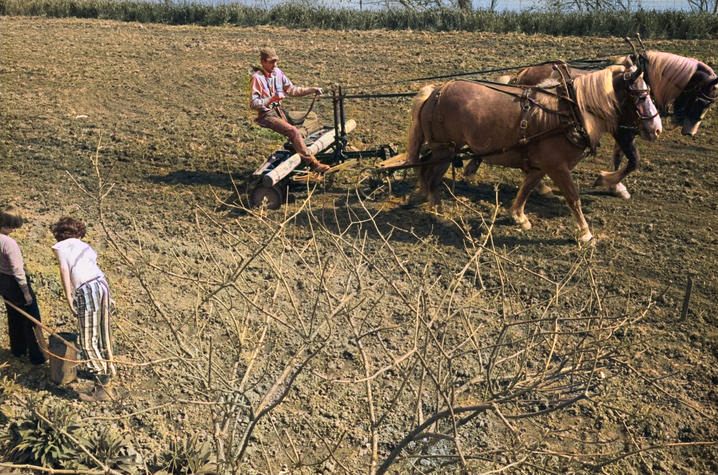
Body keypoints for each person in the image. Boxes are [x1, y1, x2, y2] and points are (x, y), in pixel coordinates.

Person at [51, 217, 116, 402]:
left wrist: (69, 296)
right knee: (103, 334)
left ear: (59, 234)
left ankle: (103, 387)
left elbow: (64, 270)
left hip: (86, 289)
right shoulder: (85, 246)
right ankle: (109, 369)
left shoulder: (61, 247)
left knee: (87, 340)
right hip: (102, 285)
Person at [249, 46, 330, 173]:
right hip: (267, 115)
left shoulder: (278, 73)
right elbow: (254, 103)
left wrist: (312, 89)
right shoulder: (257, 78)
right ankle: (313, 164)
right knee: (292, 131)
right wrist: (271, 98)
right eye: (271, 62)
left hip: (280, 111)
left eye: (276, 61)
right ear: (263, 62)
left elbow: (292, 90)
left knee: (311, 116)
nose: (275, 64)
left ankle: (298, 140)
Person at [0, 206, 46, 366]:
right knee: (31, 318)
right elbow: (17, 270)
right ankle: (37, 356)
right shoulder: (9, 243)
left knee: (13, 315)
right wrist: (26, 292)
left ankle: (18, 349)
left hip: (3, 282)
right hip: (15, 283)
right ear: (10, 224)